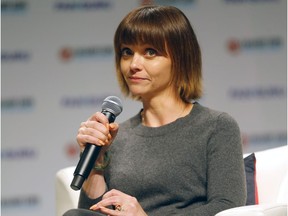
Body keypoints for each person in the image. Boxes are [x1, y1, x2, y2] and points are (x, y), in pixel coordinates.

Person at [64, 5, 246, 216]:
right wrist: (96, 161)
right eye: (127, 52)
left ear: (180, 59)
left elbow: (228, 206)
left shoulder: (216, 126)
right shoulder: (115, 136)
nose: (134, 64)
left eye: (150, 52)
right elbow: (93, 212)